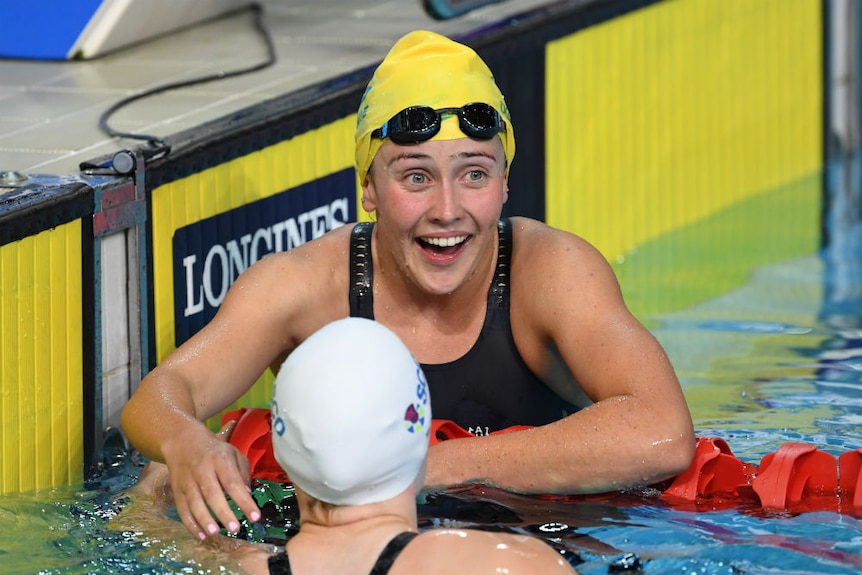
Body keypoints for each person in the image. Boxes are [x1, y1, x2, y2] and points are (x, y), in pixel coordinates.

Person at [121, 29, 695, 542]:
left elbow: (662, 431)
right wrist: (187, 445)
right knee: (160, 480)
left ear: (504, 183)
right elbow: (163, 393)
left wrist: (416, 469)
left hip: (546, 543)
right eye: (416, 177)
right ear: (368, 189)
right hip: (370, 550)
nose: (448, 210)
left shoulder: (550, 271)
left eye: (474, 173)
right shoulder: (306, 285)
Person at [122, 318, 578, 574]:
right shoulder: (508, 565)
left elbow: (149, 535)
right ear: (423, 436)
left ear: (278, 452)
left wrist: (148, 493)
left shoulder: (235, 567)